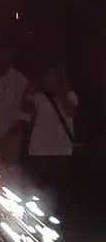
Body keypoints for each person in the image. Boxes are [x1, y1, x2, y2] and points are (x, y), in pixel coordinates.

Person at [24, 66, 78, 208]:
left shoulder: (70, 95)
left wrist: (60, 93)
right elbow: (25, 108)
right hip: (39, 150)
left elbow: (70, 112)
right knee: (39, 190)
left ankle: (58, 218)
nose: (49, 80)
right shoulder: (39, 97)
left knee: (58, 192)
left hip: (61, 151)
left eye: (52, 77)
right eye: (47, 77)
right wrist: (28, 92)